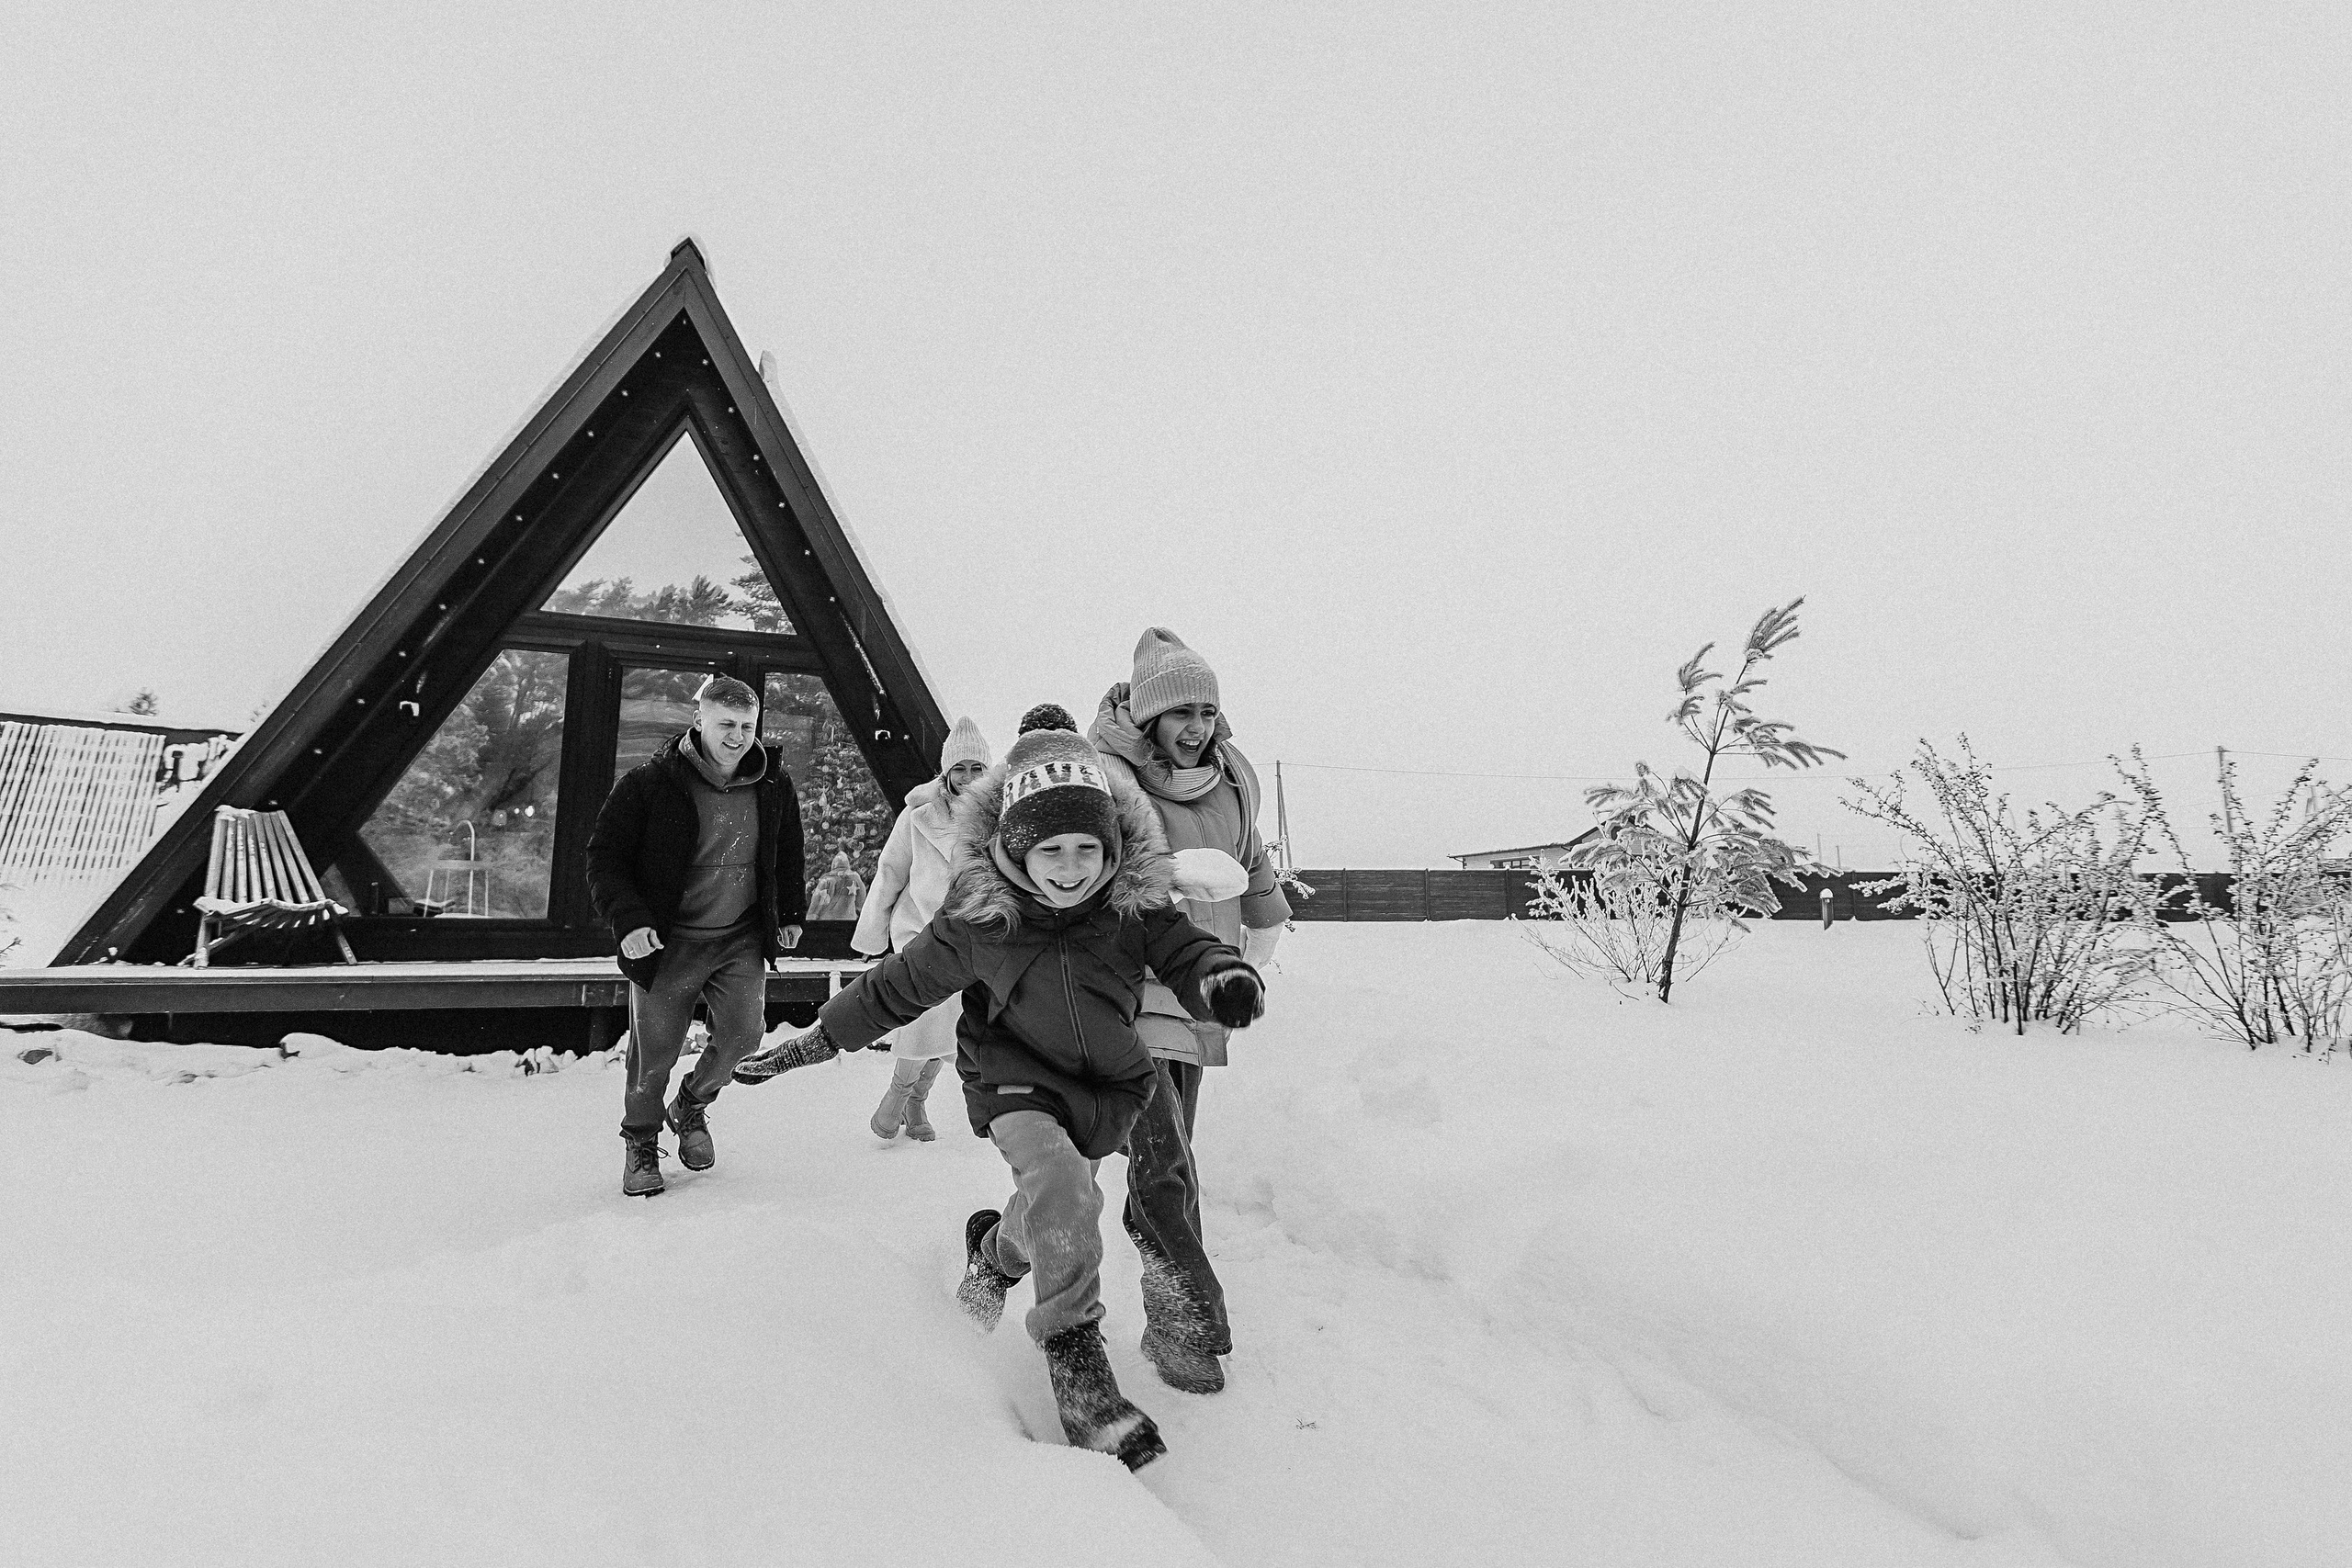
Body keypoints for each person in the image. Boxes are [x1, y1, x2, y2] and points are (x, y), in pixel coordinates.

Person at [731, 717, 1264, 1469]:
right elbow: (896, 986)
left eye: (1089, 849)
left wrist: (1220, 977)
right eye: (1052, 850)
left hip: (1108, 1085)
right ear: (1016, 848)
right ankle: (1081, 1372)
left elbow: (1188, 949)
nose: (1072, 867)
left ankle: (994, 1251)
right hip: (1013, 1078)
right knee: (1063, 1187)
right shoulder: (980, 919)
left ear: (1113, 849)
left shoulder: (1131, 908)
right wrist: (810, 1043)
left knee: (1057, 1200)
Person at [1088, 628, 1290, 1395]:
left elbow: (1251, 856)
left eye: (1208, 709)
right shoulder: (1111, 779)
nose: (1198, 724)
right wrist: (1169, 877)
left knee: (1156, 1165)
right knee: (1158, 1166)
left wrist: (1262, 920)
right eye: (1181, 711)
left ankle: (999, 1253)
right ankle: (1181, 1328)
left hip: (1198, 992)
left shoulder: (1232, 778)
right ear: (1147, 716)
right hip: (1126, 994)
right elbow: (1096, 873)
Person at [586, 675, 806, 1198]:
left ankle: (690, 1106)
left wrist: (790, 910)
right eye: (725, 724)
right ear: (699, 720)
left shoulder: (774, 783)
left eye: (747, 726)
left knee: (743, 1037)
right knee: (655, 1051)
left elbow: (788, 849)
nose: (737, 736)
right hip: (669, 942)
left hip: (740, 937)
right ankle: (640, 1142)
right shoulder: (649, 783)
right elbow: (604, 859)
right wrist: (632, 921)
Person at [852, 715, 992, 1141]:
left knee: (950, 1023)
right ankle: (898, 1096)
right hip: (917, 931)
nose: (967, 778)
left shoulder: (999, 820)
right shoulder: (917, 818)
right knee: (922, 1017)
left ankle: (917, 1100)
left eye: (977, 769)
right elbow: (890, 873)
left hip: (970, 938)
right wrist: (872, 935)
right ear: (945, 774)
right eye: (959, 769)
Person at [807, 851, 867, 922]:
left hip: (827, 919)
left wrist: (811, 916)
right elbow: (862, 897)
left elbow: (817, 899)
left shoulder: (826, 879)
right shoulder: (855, 878)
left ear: (834, 864)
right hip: (849, 918)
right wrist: (859, 909)